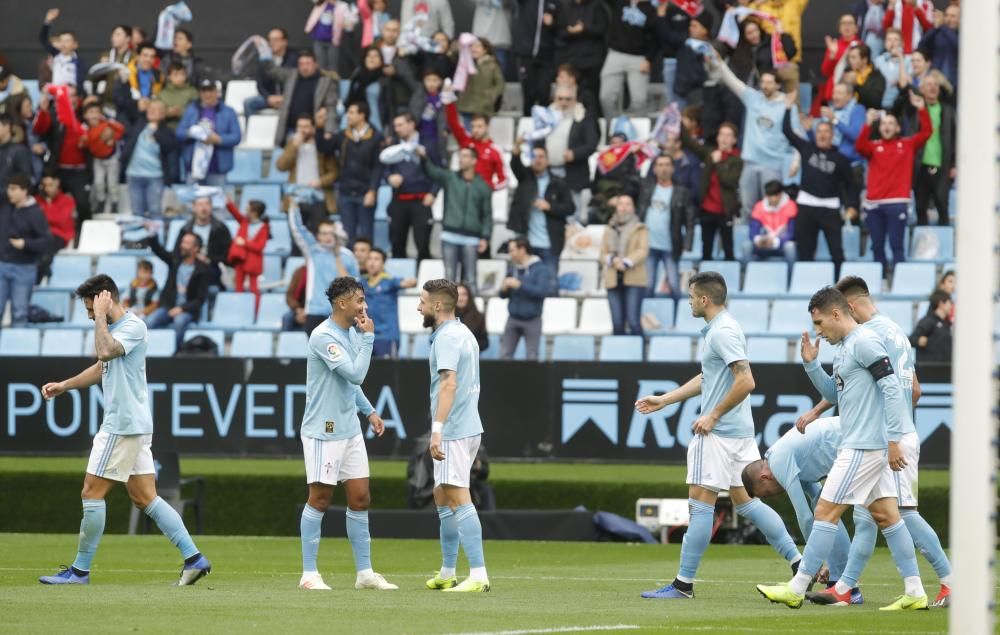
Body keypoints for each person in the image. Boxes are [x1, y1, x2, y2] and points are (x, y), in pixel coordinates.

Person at [756, 286, 927, 610]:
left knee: (824, 511)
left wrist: (893, 441)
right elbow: (834, 395)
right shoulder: (847, 348)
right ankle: (915, 591)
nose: (818, 331)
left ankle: (797, 586)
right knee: (887, 516)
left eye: (820, 323)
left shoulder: (864, 341)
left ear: (837, 314)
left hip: (864, 446)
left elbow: (891, 388)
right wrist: (810, 365)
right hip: (866, 444)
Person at [636, 271, 802, 600]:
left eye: (690, 297)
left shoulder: (721, 333)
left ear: (704, 300)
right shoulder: (725, 329)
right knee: (748, 505)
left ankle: (683, 585)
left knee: (700, 506)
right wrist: (665, 399)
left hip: (718, 435)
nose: (688, 302)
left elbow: (746, 380)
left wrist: (712, 415)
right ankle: (800, 564)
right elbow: (709, 376)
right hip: (740, 433)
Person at [37, 275, 211, 586]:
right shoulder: (115, 330)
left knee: (91, 493)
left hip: (122, 425)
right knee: (146, 497)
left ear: (106, 299)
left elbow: (105, 352)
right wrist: (65, 385)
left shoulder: (132, 326)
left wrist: (101, 317)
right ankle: (194, 558)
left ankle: (79, 571)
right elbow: (101, 366)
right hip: (133, 424)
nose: (90, 315)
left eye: (92, 308)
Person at [791, 275, 952, 607]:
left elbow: (879, 385)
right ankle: (847, 588)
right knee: (874, 515)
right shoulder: (895, 331)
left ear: (846, 307)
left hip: (888, 436)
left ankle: (949, 581)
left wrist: (891, 431)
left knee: (902, 514)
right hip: (895, 430)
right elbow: (914, 389)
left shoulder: (868, 336)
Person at [297, 276, 397, 592]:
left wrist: (369, 411)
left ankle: (364, 573)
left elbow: (350, 384)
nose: (363, 306)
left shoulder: (351, 333)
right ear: (342, 303)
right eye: (359, 301)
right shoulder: (323, 336)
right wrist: (369, 340)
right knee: (320, 498)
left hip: (350, 428)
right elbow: (354, 372)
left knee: (360, 497)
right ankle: (309, 574)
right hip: (323, 430)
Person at [419, 278, 491, 592]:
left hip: (454, 429)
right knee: (442, 494)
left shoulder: (447, 337)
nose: (418, 306)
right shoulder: (464, 332)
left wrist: (436, 431)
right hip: (467, 425)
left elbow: (449, 384)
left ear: (437, 305)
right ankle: (448, 571)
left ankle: (478, 575)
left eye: (422, 301)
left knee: (459, 496)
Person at [740, 418, 860, 604]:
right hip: (859, 440)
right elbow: (816, 507)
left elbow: (805, 518)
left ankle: (845, 587)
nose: (771, 497)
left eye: (765, 495)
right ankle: (843, 585)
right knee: (825, 507)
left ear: (765, 477)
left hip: (860, 444)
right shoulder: (783, 458)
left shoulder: (779, 463)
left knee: (830, 510)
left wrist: (813, 564)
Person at [782, 93, 858, 276]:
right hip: (806, 206)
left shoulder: (841, 159)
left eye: (826, 132)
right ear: (814, 135)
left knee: (837, 253)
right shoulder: (806, 148)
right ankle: (806, 284)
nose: (822, 135)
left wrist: (852, 205)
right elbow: (787, 131)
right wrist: (787, 108)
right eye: (819, 132)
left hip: (830, 208)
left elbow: (852, 185)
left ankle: (840, 288)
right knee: (805, 251)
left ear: (832, 136)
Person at [855, 94, 931, 273]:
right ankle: (880, 279)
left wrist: (922, 109)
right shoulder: (873, 146)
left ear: (898, 128)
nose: (887, 126)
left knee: (897, 245)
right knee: (877, 245)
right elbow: (859, 146)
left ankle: (898, 280)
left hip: (897, 203)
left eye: (891, 123)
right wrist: (867, 124)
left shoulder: (907, 145)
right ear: (879, 127)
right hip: (873, 204)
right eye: (883, 123)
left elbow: (926, 132)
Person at [712, 62, 792, 216]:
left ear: (778, 85)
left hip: (773, 165)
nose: (764, 86)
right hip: (750, 163)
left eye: (769, 82)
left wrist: (796, 159)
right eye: (762, 82)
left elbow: (796, 136)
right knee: (748, 208)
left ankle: (772, 240)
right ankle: (750, 239)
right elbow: (733, 82)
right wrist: (720, 64)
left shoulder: (786, 105)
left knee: (771, 209)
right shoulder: (753, 99)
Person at [417, 145, 492, 291]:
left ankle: (471, 313)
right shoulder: (450, 177)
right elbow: (432, 172)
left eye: (464, 156)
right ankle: (448, 313)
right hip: (449, 235)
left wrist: (485, 237)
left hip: (472, 237)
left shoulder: (483, 186)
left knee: (470, 279)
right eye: (460, 156)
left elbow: (487, 214)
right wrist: (424, 158)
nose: (460, 159)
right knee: (449, 279)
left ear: (474, 160)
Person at [379, 112, 440, 262]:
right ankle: (400, 279)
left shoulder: (429, 143)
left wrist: (433, 193)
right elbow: (384, 169)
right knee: (397, 243)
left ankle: (426, 281)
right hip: (399, 200)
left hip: (421, 200)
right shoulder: (392, 145)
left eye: (400, 125)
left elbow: (439, 172)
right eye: (395, 126)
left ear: (411, 124)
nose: (397, 129)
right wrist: (389, 177)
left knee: (423, 244)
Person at [319, 102, 382, 244]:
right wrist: (320, 127)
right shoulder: (343, 136)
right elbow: (325, 148)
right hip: (346, 191)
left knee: (366, 234)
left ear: (362, 115)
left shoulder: (376, 137)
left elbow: (378, 167)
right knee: (347, 235)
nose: (348, 116)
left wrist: (372, 190)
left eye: (352, 112)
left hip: (365, 191)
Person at [681, 120, 743, 261]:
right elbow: (691, 144)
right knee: (706, 249)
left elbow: (729, 181)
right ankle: (705, 281)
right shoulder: (710, 153)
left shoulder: (737, 159)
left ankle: (727, 280)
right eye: (721, 134)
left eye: (728, 135)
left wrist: (719, 162)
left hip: (725, 211)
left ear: (734, 140)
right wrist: (678, 122)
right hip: (707, 209)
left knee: (728, 249)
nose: (724, 138)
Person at [507, 144, 575, 273]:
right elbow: (515, 164)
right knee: (523, 284)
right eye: (534, 157)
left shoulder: (559, 183)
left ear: (548, 160)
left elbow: (570, 208)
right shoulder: (525, 178)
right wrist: (517, 147)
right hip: (526, 245)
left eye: (541, 156)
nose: (538, 160)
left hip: (550, 245)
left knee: (549, 286)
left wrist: (550, 206)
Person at [289, 208, 358, 335]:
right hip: (315, 312)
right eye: (324, 233)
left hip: (341, 313)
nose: (328, 237)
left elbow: (354, 288)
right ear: (318, 236)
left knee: (340, 354)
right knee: (317, 354)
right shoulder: (312, 251)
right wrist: (293, 208)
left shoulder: (347, 255)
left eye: (331, 233)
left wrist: (337, 256)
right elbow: (298, 229)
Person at [637, 154, 695, 298]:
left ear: (672, 168)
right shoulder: (646, 189)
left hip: (670, 246)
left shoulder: (682, 192)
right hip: (648, 245)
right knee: (648, 285)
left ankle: (676, 317)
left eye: (667, 165)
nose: (663, 168)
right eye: (660, 165)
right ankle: (648, 317)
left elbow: (690, 221)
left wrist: (687, 244)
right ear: (655, 169)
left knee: (675, 285)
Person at [0, 174, 51, 327]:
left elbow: (46, 241)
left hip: (24, 268)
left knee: (19, 313)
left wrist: (25, 244)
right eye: (9, 188)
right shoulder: (5, 206)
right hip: (2, 264)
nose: (10, 192)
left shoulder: (35, 213)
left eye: (14, 189)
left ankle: (17, 350)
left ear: (25, 191)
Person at [261, 50, 339, 147]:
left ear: (316, 64)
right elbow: (272, 71)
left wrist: (329, 130)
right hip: (289, 129)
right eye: (301, 64)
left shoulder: (326, 82)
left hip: (311, 132)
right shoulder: (291, 75)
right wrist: (264, 53)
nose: (304, 67)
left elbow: (331, 108)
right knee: (286, 160)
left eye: (308, 63)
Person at [146, 232, 211, 348]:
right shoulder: (175, 261)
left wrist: (181, 308)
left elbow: (199, 300)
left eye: (186, 243)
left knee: (179, 321)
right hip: (168, 307)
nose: (182, 245)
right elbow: (159, 251)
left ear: (195, 248)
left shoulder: (202, 270)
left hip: (187, 311)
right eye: (182, 242)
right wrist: (152, 235)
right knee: (149, 321)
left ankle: (176, 354)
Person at [544, 84, 599, 216]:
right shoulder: (546, 116)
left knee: (572, 213)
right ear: (554, 99)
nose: (564, 102)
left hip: (572, 172)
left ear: (575, 100)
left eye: (568, 99)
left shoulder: (583, 117)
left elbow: (591, 144)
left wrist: (575, 154)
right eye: (560, 98)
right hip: (548, 170)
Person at [176, 79, 242, 186]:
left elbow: (236, 137)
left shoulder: (228, 112)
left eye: (210, 91)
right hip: (193, 168)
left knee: (216, 201)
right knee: (193, 200)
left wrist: (218, 139)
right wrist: (192, 133)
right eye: (204, 91)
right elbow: (179, 133)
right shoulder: (191, 110)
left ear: (217, 92)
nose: (207, 94)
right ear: (200, 93)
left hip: (217, 167)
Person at [599, 0, 657, 120]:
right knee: (606, 96)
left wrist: (649, 59)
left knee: (639, 100)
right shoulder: (619, 2)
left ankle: (632, 129)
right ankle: (614, 126)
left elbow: (655, 38)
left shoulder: (651, 9)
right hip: (616, 53)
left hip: (639, 57)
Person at [121, 100, 180, 220]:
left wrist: (155, 132)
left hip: (155, 176)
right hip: (134, 174)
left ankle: (156, 238)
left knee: (155, 210)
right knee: (137, 212)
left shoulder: (167, 131)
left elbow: (169, 146)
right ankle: (139, 238)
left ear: (163, 115)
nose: (152, 111)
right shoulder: (138, 124)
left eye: (156, 109)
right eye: (150, 108)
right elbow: (125, 109)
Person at [499, 238, 556, 360]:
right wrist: (503, 288)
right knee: (505, 356)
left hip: (532, 320)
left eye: (512, 250)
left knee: (532, 357)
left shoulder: (541, 270)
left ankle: (532, 380)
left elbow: (542, 292)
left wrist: (520, 286)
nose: (510, 254)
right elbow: (502, 296)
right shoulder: (512, 268)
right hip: (512, 318)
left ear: (522, 250)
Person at [443, 84, 508, 191]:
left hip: (482, 197)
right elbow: (453, 122)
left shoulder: (495, 150)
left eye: (479, 126)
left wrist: (488, 189)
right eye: (473, 126)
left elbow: (504, 179)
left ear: (487, 127)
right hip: (464, 192)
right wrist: (449, 99)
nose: (475, 130)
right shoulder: (465, 141)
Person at [277, 114, 338, 223]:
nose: (302, 130)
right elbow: (281, 166)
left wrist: (320, 182)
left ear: (313, 128)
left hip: (318, 198)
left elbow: (334, 173)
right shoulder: (292, 143)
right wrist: (294, 147)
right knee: (296, 236)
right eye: (299, 127)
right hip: (296, 198)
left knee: (317, 235)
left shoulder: (322, 146)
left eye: (305, 127)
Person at [911, 73, 955, 226]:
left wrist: (954, 164)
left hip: (942, 165)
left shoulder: (948, 111)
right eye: (928, 84)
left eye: (935, 85)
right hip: (920, 165)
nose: (933, 87)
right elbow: (902, 96)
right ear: (921, 89)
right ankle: (922, 245)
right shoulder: (914, 111)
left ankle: (945, 244)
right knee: (920, 207)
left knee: (942, 205)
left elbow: (955, 138)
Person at [601, 195, 648, 335]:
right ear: (616, 207)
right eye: (621, 204)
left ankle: (640, 356)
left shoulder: (641, 228)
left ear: (633, 208)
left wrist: (626, 262)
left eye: (628, 204)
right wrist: (613, 260)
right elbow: (602, 253)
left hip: (634, 280)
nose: (624, 207)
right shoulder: (609, 228)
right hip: (613, 280)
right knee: (617, 324)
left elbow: (643, 250)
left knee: (633, 321)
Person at [554, 0, 609, 116]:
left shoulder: (597, 5)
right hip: (572, 61)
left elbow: (603, 29)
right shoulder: (565, 6)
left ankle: (594, 120)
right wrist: (571, 31)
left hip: (593, 60)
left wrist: (585, 29)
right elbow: (558, 32)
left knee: (592, 95)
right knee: (571, 94)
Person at [362, 247, 417, 358]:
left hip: (387, 336)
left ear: (383, 263)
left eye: (376, 259)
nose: (372, 262)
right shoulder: (362, 281)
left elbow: (408, 283)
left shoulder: (390, 281)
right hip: (367, 336)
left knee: (387, 373)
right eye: (369, 259)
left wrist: (411, 281)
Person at [511, 0, 558, 115]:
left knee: (544, 93)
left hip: (546, 55)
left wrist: (553, 23)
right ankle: (527, 124)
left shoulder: (555, 3)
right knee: (529, 93)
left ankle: (545, 124)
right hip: (526, 54)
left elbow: (562, 24)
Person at [176, 197, 232, 288]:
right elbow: (177, 252)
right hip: (189, 267)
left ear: (211, 207)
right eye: (200, 204)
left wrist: (209, 260)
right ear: (194, 207)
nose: (204, 208)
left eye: (207, 204)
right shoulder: (185, 229)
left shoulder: (221, 229)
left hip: (213, 269)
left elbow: (228, 255)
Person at [81, 103, 125, 216]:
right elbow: (83, 143)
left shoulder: (107, 124)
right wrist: (84, 141)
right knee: (98, 182)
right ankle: (101, 202)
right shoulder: (85, 129)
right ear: (85, 115)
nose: (94, 115)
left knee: (112, 183)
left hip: (111, 158)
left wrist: (113, 138)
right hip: (97, 159)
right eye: (91, 113)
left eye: (97, 112)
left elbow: (120, 129)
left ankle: (115, 203)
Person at [225, 198, 269, 304]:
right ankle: (239, 308)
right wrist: (228, 202)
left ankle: (255, 310)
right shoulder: (244, 222)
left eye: (247, 209)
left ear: (254, 212)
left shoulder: (264, 228)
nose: (245, 211)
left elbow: (260, 246)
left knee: (254, 289)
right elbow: (235, 213)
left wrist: (244, 242)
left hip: (253, 262)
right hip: (240, 259)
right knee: (238, 287)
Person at [246, 28, 298, 117]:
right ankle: (252, 129)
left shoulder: (294, 59)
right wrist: (268, 97)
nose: (272, 43)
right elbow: (260, 84)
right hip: (270, 98)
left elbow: (296, 82)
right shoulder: (264, 59)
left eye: (276, 40)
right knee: (249, 103)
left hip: (289, 98)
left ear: (284, 42)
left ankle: (292, 129)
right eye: (270, 40)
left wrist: (284, 97)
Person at [815, 15, 859, 116]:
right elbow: (825, 72)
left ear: (856, 28)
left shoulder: (861, 46)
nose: (847, 26)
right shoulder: (834, 45)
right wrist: (832, 56)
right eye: (844, 23)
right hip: (834, 93)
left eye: (850, 23)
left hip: (855, 93)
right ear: (839, 28)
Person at [455, 37, 505, 121]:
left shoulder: (492, 65)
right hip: (465, 105)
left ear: (485, 49)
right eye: (472, 46)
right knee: (467, 133)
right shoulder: (463, 62)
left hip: (483, 107)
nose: (474, 49)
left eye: (478, 46)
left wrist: (492, 95)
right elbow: (454, 53)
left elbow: (500, 84)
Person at [747, 180, 797, 264]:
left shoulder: (791, 206)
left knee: (790, 247)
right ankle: (747, 274)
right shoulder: (759, 206)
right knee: (747, 246)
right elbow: (753, 230)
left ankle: (791, 275)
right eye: (768, 196)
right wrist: (758, 240)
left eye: (773, 196)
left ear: (780, 194)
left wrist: (775, 241)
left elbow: (792, 233)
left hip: (782, 243)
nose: (770, 199)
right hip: (764, 242)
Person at [346, 46, 391, 133]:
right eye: (368, 56)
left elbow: (389, 106)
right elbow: (349, 101)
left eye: (375, 56)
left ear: (381, 60)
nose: (371, 59)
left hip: (376, 122)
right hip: (354, 121)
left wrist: (389, 130)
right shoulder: (357, 77)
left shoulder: (385, 79)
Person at [39, 8, 85, 88]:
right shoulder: (56, 55)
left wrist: (75, 91)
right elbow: (43, 39)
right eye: (61, 41)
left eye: (67, 41)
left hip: (70, 95)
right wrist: (47, 21)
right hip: (55, 94)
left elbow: (80, 82)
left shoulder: (79, 62)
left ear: (75, 44)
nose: (63, 44)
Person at [918, 3, 958, 88]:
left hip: (954, 81)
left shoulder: (962, 32)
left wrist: (943, 27)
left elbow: (957, 44)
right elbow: (921, 45)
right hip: (936, 78)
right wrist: (935, 28)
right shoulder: (938, 31)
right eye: (946, 15)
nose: (948, 19)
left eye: (953, 16)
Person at [910, 290, 953, 363]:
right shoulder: (928, 321)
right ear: (941, 303)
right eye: (949, 303)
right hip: (929, 369)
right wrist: (918, 341)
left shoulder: (947, 323)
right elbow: (912, 339)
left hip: (945, 367)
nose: (951, 306)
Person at [873, 28, 911, 110]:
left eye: (895, 40)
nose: (892, 43)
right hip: (880, 105)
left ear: (902, 43)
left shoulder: (909, 60)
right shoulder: (878, 60)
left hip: (900, 105)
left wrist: (900, 57)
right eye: (889, 40)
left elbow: (906, 83)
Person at [0, 113, 32, 206]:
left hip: (9, 205)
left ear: (7, 127)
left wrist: (7, 192)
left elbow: (25, 179)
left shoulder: (19, 151)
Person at [843, 43, 885, 110]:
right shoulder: (848, 72)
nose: (850, 61)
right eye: (849, 57)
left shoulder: (876, 77)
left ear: (864, 60)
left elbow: (875, 102)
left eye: (854, 57)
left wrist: (857, 85)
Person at [158, 62, 198, 131]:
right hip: (166, 130)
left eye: (182, 74)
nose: (180, 78)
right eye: (175, 75)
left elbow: (198, 112)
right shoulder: (162, 94)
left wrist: (181, 112)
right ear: (169, 77)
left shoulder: (193, 92)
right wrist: (168, 112)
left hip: (187, 130)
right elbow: (154, 113)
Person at [456, 282, 488, 352]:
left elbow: (485, 342)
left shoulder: (479, 317)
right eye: (457, 295)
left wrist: (470, 346)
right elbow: (433, 339)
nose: (460, 298)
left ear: (469, 297)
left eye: (464, 295)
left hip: (470, 357)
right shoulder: (445, 317)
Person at [283, 265, 308, 331]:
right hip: (298, 308)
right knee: (287, 318)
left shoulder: (320, 272)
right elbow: (289, 295)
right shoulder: (299, 272)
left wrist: (307, 312)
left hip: (315, 310)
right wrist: (298, 309)